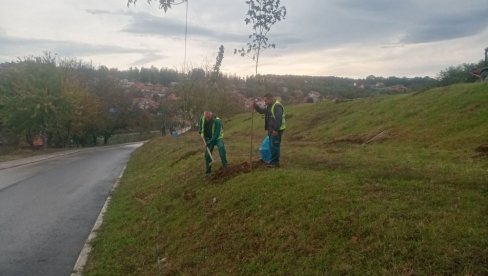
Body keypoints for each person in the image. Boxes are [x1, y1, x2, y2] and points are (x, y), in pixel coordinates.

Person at [253, 93, 286, 167]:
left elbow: (278, 119)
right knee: (271, 146)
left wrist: (275, 130)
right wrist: (256, 107)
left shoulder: (277, 106)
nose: (265, 102)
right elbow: (262, 111)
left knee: (274, 146)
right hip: (271, 130)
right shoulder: (269, 106)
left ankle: (275, 163)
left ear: (270, 99)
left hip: (276, 130)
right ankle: (272, 161)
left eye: (266, 101)